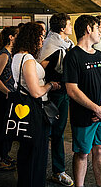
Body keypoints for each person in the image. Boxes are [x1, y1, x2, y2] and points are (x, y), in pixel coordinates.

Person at [63, 15, 101, 187]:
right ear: (88, 29)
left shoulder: (99, 54)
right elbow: (72, 89)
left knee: (100, 150)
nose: (100, 31)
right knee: (82, 153)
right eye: (97, 28)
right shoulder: (73, 56)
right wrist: (95, 109)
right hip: (84, 115)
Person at [11, 22, 60, 187]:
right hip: (35, 110)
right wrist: (50, 85)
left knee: (26, 152)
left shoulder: (17, 56)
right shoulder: (28, 59)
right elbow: (36, 91)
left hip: (25, 109)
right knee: (36, 153)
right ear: (32, 38)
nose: (42, 41)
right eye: (40, 37)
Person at [38, 14, 74, 186]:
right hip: (52, 94)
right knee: (45, 133)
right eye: (69, 24)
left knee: (58, 134)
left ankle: (58, 171)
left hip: (64, 93)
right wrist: (49, 84)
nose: (71, 26)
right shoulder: (50, 44)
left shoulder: (68, 44)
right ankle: (37, 170)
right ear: (61, 27)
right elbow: (39, 68)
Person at [0, 26, 18, 171]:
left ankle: (5, 155)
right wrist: (7, 92)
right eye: (17, 35)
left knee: (7, 127)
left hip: (8, 95)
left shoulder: (11, 53)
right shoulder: (4, 55)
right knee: (1, 127)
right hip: (2, 96)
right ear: (11, 37)